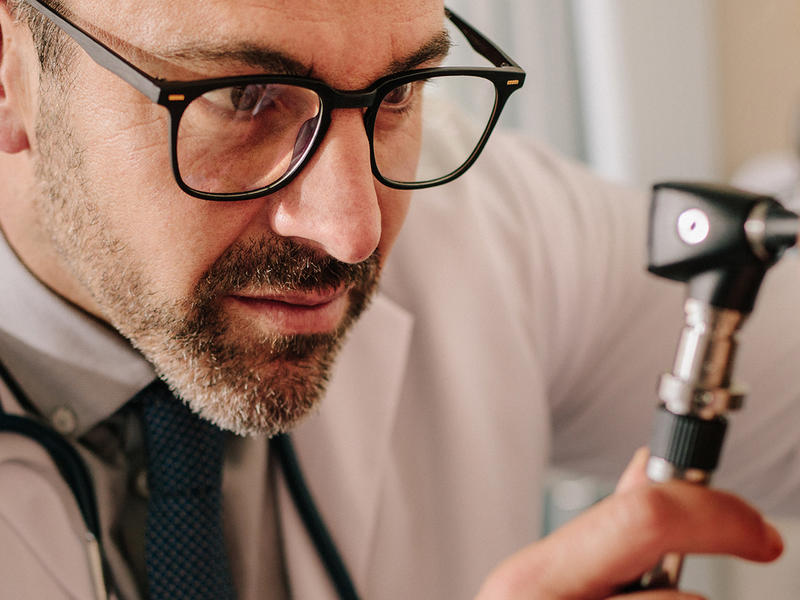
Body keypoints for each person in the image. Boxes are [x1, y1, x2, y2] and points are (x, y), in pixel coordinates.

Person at [0, 0, 798, 599]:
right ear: (10, 71)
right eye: (246, 97)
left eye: (399, 93)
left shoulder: (489, 225)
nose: (353, 231)